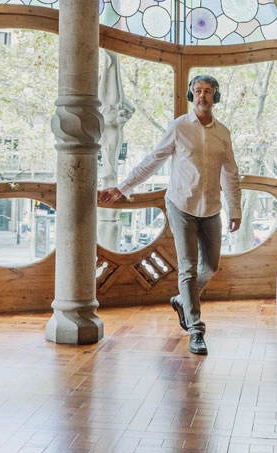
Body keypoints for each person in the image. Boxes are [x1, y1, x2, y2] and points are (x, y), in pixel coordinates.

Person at [101, 74, 241, 355]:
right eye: (197, 91)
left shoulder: (223, 133)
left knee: (210, 266)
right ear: (191, 95)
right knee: (188, 268)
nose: (202, 95)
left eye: (208, 91)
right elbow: (154, 159)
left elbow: (230, 174)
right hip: (181, 205)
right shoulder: (179, 127)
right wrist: (123, 187)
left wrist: (235, 208)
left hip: (211, 208)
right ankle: (196, 329)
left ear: (216, 96)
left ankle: (182, 301)